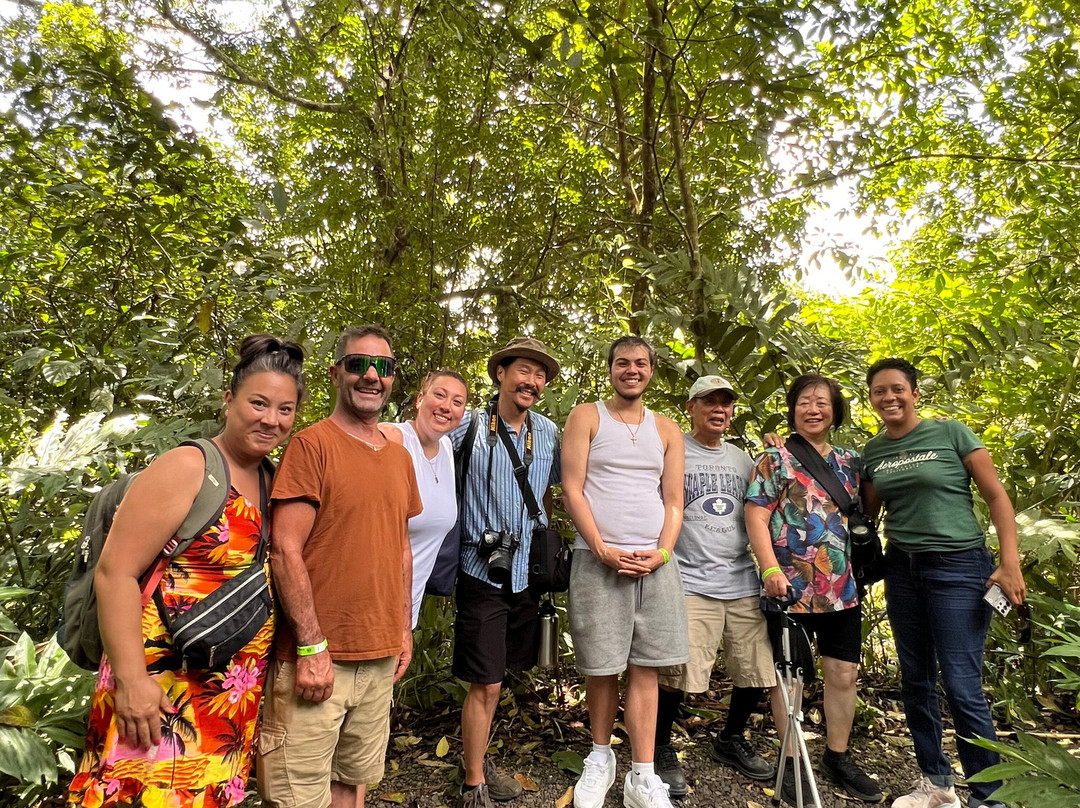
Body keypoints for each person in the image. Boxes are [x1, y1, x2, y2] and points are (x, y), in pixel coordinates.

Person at [68, 334, 305, 808]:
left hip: (228, 696)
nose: (270, 420)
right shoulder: (189, 466)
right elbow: (115, 573)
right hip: (159, 688)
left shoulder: (272, 478)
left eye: (285, 409)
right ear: (229, 399)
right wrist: (133, 682)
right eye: (258, 403)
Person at [259, 324, 421, 808]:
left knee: (352, 784)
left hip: (379, 656)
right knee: (297, 797)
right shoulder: (312, 446)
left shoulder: (398, 456)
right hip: (316, 660)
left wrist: (403, 631)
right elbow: (285, 550)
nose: (372, 375)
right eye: (358, 364)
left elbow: (400, 550)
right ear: (336, 373)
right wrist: (311, 646)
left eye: (384, 367)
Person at [861, 358, 1025, 808]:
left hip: (959, 566)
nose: (889, 397)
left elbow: (996, 496)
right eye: (879, 391)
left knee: (961, 684)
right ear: (870, 399)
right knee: (915, 679)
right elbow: (865, 514)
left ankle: (988, 796)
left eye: (897, 389)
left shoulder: (952, 433)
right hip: (903, 569)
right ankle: (936, 784)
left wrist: (1009, 562)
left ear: (914, 392)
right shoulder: (874, 452)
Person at [745, 373, 883, 806]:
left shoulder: (851, 461)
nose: (813, 409)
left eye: (822, 402)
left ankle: (837, 756)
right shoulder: (774, 458)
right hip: (789, 586)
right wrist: (769, 569)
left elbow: (866, 510)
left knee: (843, 674)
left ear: (835, 411)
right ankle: (792, 759)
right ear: (792, 409)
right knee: (792, 679)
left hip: (842, 587)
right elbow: (755, 515)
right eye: (804, 401)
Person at [562, 336, 687, 808]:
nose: (630, 370)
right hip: (599, 560)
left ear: (651, 370)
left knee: (646, 666)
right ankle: (599, 758)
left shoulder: (668, 429)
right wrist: (600, 548)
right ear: (610, 369)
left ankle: (642, 773)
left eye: (639, 363)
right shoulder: (586, 416)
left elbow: (673, 500)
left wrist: (663, 552)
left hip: (653, 564)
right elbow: (573, 489)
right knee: (601, 664)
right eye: (621, 363)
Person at [654, 375, 780, 796]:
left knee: (755, 669)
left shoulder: (745, 459)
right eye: (709, 402)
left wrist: (782, 453)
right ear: (691, 407)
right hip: (689, 578)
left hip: (742, 578)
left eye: (725, 403)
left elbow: (773, 501)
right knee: (678, 671)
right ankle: (660, 747)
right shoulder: (673, 452)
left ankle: (730, 738)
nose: (719, 409)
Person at [451, 337, 562, 808]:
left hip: (526, 575)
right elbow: (417, 449)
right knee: (487, 681)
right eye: (524, 370)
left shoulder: (550, 432)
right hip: (482, 571)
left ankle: (476, 760)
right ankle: (474, 783)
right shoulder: (470, 427)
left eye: (540, 375)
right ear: (500, 373)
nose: (532, 381)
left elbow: (572, 482)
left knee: (501, 676)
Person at [381, 369, 470, 627]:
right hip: (367, 602)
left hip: (406, 611)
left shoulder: (446, 449)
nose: (446, 406)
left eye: (457, 402)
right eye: (439, 395)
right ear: (420, 399)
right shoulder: (393, 439)